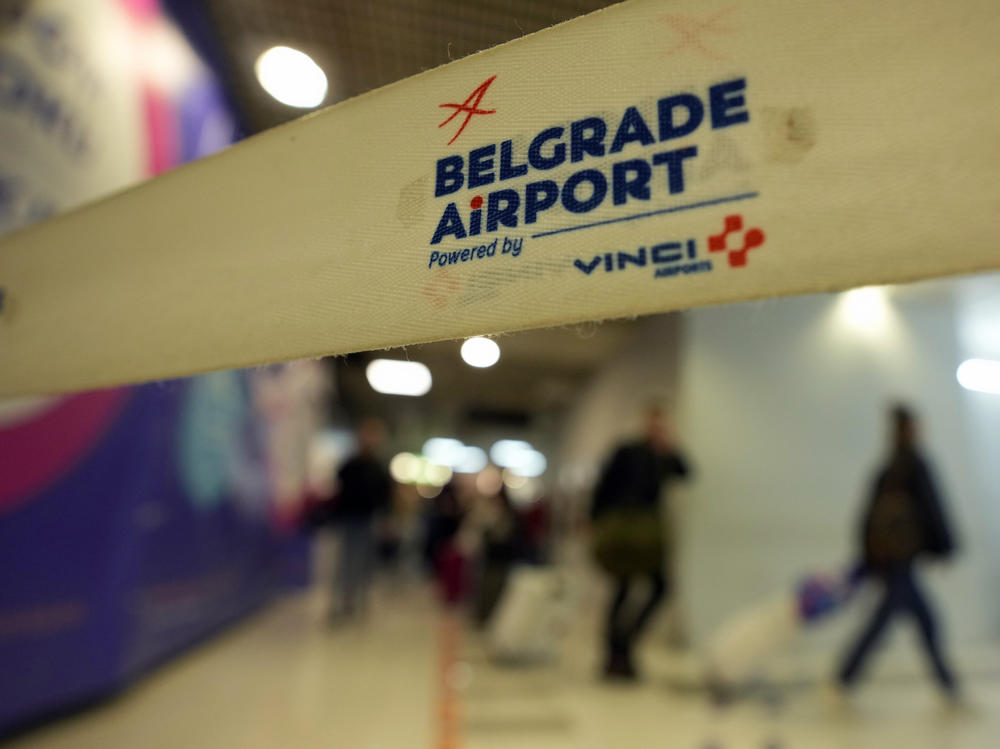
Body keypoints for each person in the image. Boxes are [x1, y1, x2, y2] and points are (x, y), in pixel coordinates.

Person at [836, 404, 959, 699]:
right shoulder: (911, 466)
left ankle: (950, 689)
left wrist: (868, 557)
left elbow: (867, 516)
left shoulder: (887, 468)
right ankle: (841, 682)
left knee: (922, 622)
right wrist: (946, 546)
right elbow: (933, 508)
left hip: (896, 562)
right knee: (890, 623)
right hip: (899, 562)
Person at [591, 406, 691, 679]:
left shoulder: (663, 454)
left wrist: (670, 449)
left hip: (649, 531)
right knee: (621, 589)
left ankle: (625, 644)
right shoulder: (627, 451)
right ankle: (615, 654)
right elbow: (603, 487)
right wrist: (595, 525)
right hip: (623, 530)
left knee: (659, 587)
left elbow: (686, 473)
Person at [329, 418, 391, 622]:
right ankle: (343, 602)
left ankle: (359, 602)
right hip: (349, 519)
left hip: (368, 519)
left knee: (364, 563)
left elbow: (384, 495)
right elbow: (338, 489)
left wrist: (385, 518)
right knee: (346, 562)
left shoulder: (377, 467)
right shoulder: (350, 464)